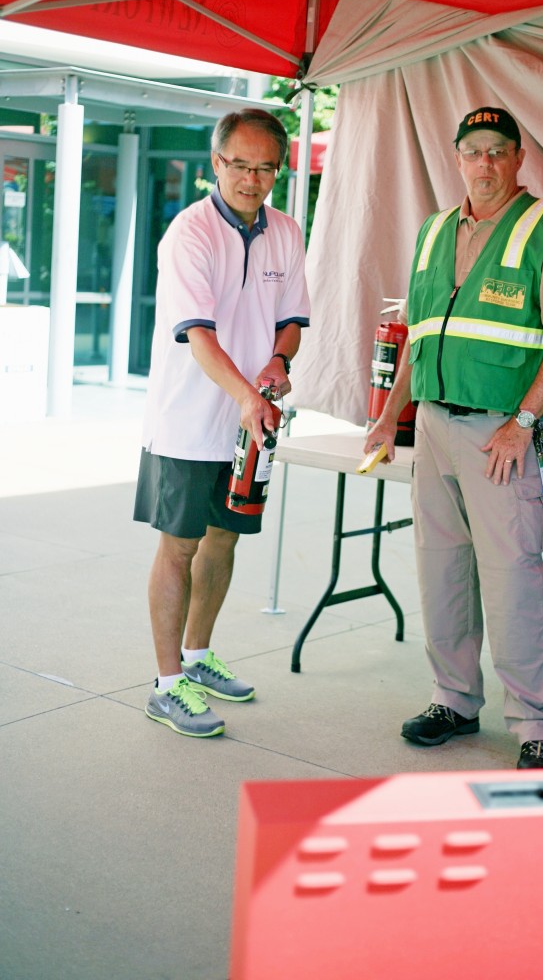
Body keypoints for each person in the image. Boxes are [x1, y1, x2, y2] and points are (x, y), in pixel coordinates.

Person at [365, 106, 543, 769]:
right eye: (473, 151)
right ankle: (454, 700)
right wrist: (388, 417)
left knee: (510, 579)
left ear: (518, 157)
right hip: (433, 425)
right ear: (457, 158)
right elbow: (420, 334)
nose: (485, 163)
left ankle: (535, 725)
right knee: (441, 571)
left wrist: (522, 424)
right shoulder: (435, 231)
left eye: (498, 150)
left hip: (500, 435)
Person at [134, 109, 310, 738]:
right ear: (217, 163)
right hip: (188, 419)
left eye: (265, 167)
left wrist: (278, 359)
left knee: (224, 540)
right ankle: (164, 684)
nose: (252, 178)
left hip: (247, 421)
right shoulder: (190, 234)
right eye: (240, 164)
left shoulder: (286, 231)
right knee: (178, 547)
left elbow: (292, 317)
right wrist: (246, 395)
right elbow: (199, 338)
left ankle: (198, 658)